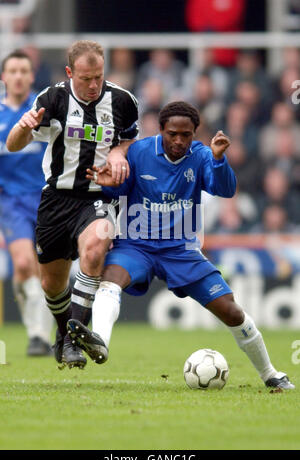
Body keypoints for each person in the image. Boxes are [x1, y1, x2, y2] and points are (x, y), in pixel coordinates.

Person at [68, 101, 294, 390]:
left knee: (231, 311)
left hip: (181, 250)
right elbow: (120, 188)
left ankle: (270, 373)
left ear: (194, 134)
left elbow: (225, 189)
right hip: (137, 245)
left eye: (185, 135)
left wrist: (219, 159)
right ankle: (100, 342)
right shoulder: (139, 152)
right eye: (172, 133)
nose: (178, 140)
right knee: (110, 281)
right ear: (161, 130)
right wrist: (109, 184)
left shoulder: (201, 156)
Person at [6, 40, 139, 369]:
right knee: (51, 284)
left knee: (95, 249)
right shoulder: (52, 99)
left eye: (98, 77)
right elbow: (12, 144)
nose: (93, 85)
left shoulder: (123, 100)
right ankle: (66, 335)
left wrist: (120, 152)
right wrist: (22, 129)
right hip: (55, 199)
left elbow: (130, 137)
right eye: (85, 78)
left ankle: (70, 341)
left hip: (98, 197)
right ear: (69, 73)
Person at [0, 50, 53, 356]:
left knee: (46, 272)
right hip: (10, 200)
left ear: (32, 76)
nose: (18, 76)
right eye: (13, 71)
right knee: (22, 263)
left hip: (47, 198)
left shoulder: (45, 109)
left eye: (24, 70)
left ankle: (42, 334)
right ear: (4, 77)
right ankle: (37, 334)